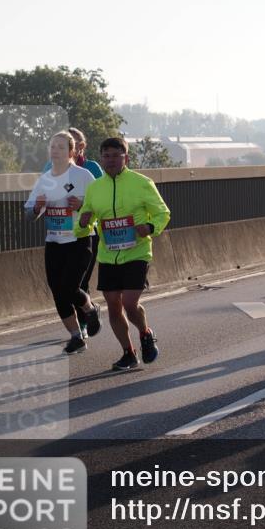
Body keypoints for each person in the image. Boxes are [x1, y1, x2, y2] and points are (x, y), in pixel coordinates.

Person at [79, 137, 171, 370]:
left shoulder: (142, 183)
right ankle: (128, 353)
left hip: (136, 252)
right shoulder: (94, 188)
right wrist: (82, 222)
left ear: (126, 158)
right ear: (101, 159)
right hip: (108, 255)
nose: (110, 160)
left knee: (130, 303)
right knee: (113, 305)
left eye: (115, 156)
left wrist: (150, 227)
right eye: (106, 156)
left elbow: (162, 213)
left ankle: (145, 333)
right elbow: (84, 225)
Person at [24, 132, 101, 354]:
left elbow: (101, 206)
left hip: (79, 239)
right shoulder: (45, 179)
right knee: (58, 292)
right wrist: (37, 207)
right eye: (52, 147)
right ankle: (76, 337)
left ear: (72, 151)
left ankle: (90, 309)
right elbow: (29, 214)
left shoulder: (84, 175)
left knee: (70, 288)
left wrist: (82, 205)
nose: (55, 151)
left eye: (61, 147)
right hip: (54, 242)